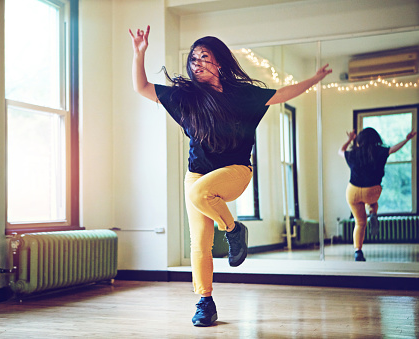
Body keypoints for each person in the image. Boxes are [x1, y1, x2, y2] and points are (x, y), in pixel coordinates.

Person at [129, 25, 332, 327]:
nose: (196, 62)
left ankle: (234, 229)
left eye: (203, 56)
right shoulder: (187, 97)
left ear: (219, 61)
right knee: (198, 243)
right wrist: (139, 54)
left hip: (236, 172)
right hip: (197, 175)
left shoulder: (242, 96)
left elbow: (282, 94)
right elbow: (142, 88)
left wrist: (314, 79)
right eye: (193, 59)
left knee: (198, 195)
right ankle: (205, 302)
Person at [338, 127, 416, 262]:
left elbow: (340, 151)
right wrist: (407, 139)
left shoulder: (353, 153)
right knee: (373, 202)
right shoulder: (379, 151)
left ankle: (358, 251)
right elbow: (393, 149)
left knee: (359, 222)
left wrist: (349, 139)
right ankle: (373, 212)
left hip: (353, 191)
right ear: (375, 139)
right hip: (371, 191)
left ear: (360, 140)